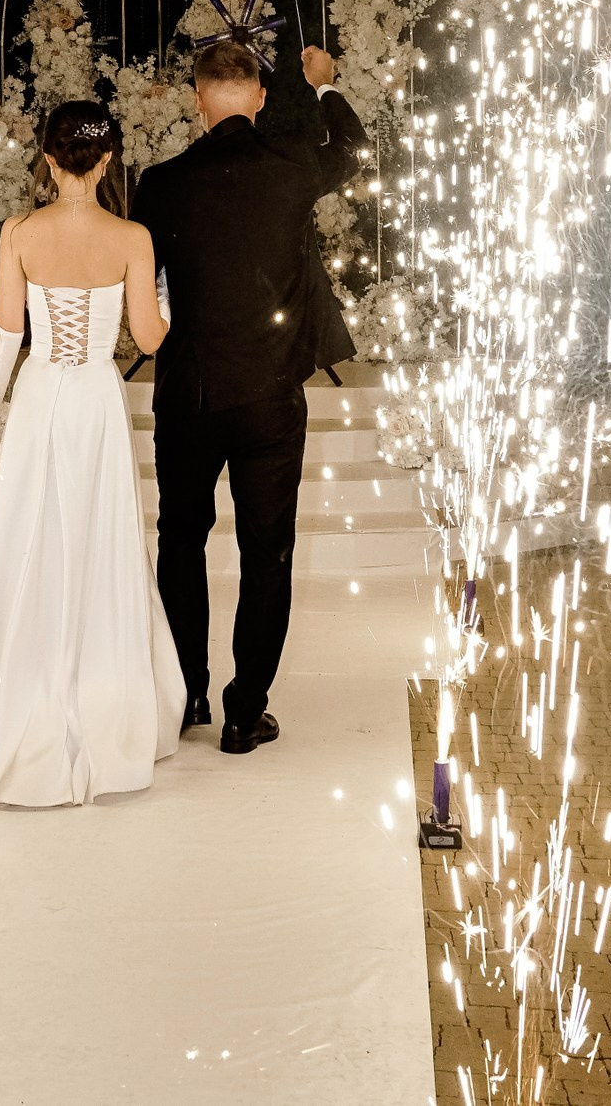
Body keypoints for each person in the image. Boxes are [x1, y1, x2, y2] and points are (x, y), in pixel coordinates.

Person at [0, 102, 187, 806]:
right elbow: (148, 338)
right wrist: (169, 298)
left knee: (30, 540)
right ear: (108, 160)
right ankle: (107, 694)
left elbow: (6, 329)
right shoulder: (133, 236)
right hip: (94, 399)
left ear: (49, 161)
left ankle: (21, 694)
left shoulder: (19, 231)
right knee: (101, 542)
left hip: (43, 390)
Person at [132, 42, 366, 754]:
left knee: (181, 540)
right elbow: (354, 148)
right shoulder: (295, 161)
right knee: (268, 552)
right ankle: (244, 712)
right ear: (260, 96)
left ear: (197, 98)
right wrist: (324, 86)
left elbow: (155, 284)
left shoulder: (160, 182)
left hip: (190, 392)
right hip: (268, 392)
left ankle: (187, 692)